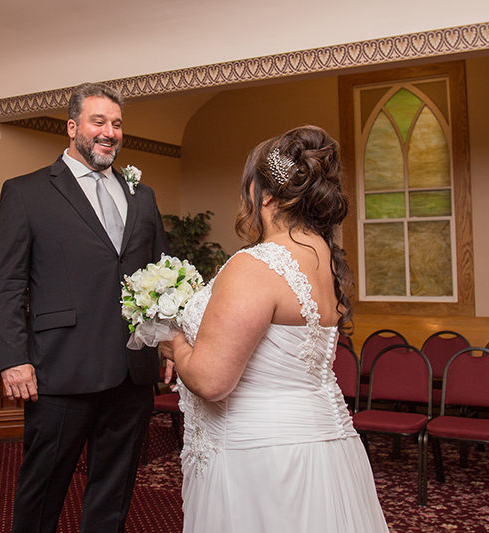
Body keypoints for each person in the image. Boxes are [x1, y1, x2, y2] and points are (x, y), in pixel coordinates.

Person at [160, 125, 390, 532]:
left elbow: (212, 381)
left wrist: (175, 344)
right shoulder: (326, 258)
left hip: (261, 458)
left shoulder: (256, 266)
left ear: (264, 194)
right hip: (327, 451)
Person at [0, 82, 170, 533]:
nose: (109, 132)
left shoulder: (142, 196)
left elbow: (161, 275)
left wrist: (167, 343)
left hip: (132, 367)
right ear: (73, 128)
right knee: (43, 486)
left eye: (116, 123)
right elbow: (7, 283)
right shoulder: (26, 192)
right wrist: (14, 359)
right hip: (61, 367)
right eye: (98, 121)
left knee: (115, 487)